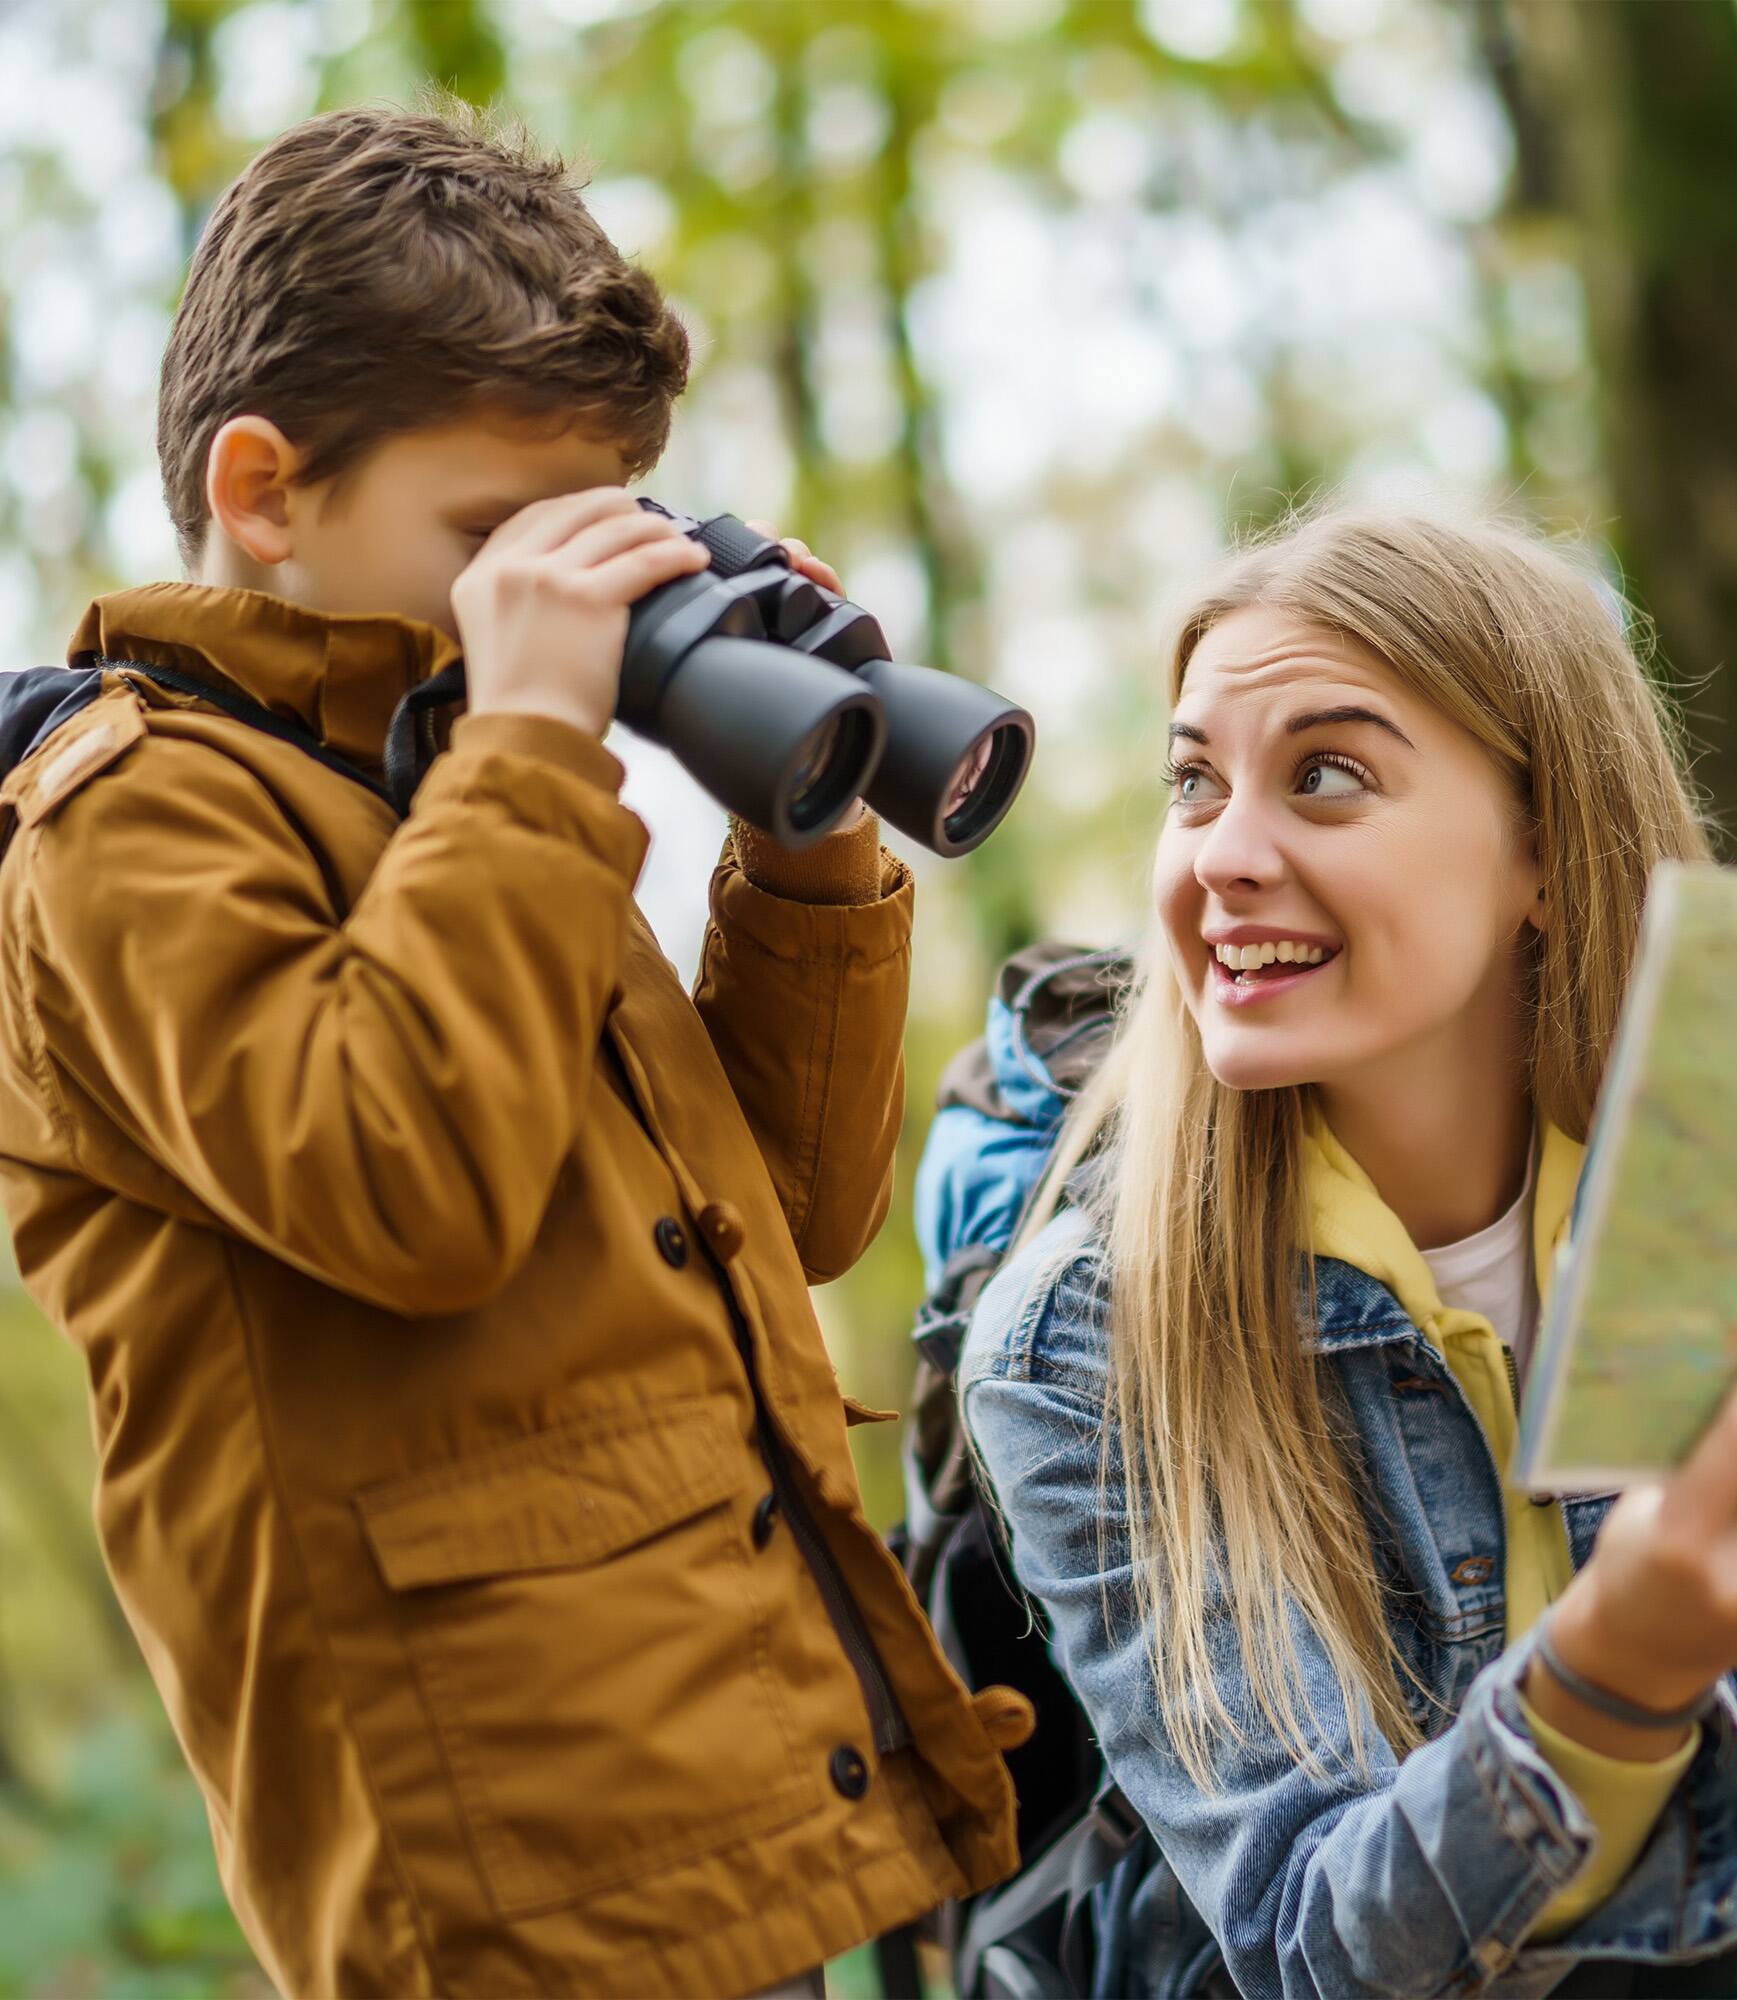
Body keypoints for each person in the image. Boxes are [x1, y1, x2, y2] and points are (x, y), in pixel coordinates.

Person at [0, 99, 1026, 1999]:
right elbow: (404, 1190)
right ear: (263, 492)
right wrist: (540, 752)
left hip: (738, 1801)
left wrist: (807, 825)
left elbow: (787, 1212)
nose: (540, 598)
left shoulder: (456, 795)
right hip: (507, 1901)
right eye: (491, 534)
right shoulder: (125, 823)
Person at [954, 504, 1737, 1998]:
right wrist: (1612, 1676)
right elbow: (1317, 1949)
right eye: (1193, 783)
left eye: (1325, 776)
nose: (1224, 854)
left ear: (1547, 857)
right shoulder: (1085, 1344)